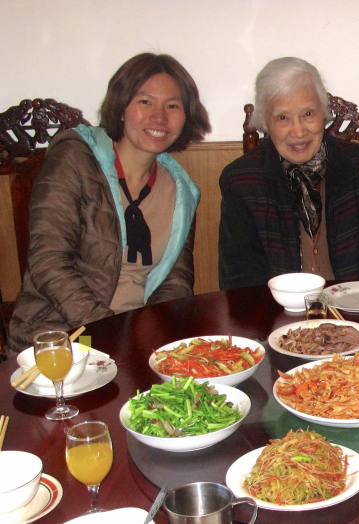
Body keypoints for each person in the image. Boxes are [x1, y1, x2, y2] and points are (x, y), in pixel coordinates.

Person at [9, 53, 211, 354]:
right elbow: (49, 261)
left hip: (135, 339)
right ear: (121, 107)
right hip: (63, 337)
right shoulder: (74, 160)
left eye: (173, 106)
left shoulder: (180, 190)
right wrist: (110, 331)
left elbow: (175, 280)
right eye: (145, 102)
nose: (159, 116)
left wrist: (158, 339)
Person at [218, 57, 359, 289]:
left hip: (357, 311)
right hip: (276, 316)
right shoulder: (241, 180)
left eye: (308, 114)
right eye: (283, 118)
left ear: (323, 111)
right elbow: (240, 278)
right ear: (264, 121)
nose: (298, 131)